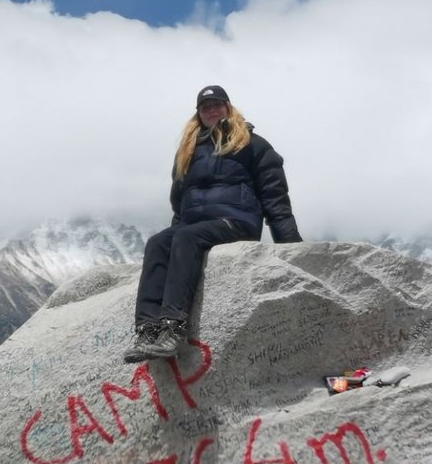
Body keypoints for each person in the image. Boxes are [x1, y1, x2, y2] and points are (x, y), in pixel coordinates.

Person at [124, 85, 303, 363]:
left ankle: (173, 328)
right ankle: (148, 330)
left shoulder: (253, 145)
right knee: (158, 243)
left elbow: (275, 197)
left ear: (228, 107)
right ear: (198, 113)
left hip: (236, 221)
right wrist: (174, 237)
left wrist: (290, 246)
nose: (211, 111)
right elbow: (179, 199)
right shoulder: (188, 150)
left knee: (187, 237)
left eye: (217, 105)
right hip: (195, 224)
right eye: (205, 107)